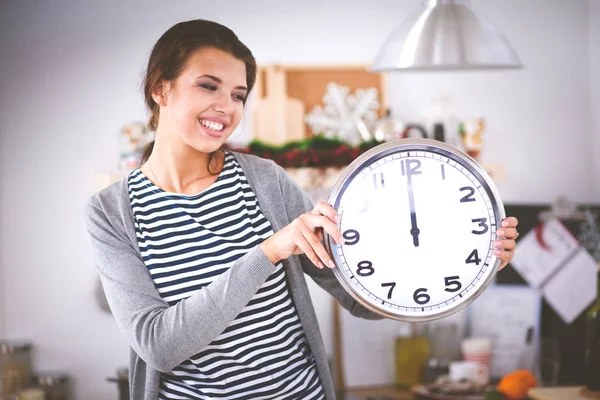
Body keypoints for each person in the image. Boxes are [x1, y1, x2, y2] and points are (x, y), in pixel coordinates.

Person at [85, 19, 519, 400]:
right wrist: (267, 252)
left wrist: (474, 267)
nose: (227, 107)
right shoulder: (112, 211)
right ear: (161, 88)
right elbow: (159, 345)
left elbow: (361, 297)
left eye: (238, 94)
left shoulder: (264, 180)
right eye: (208, 85)